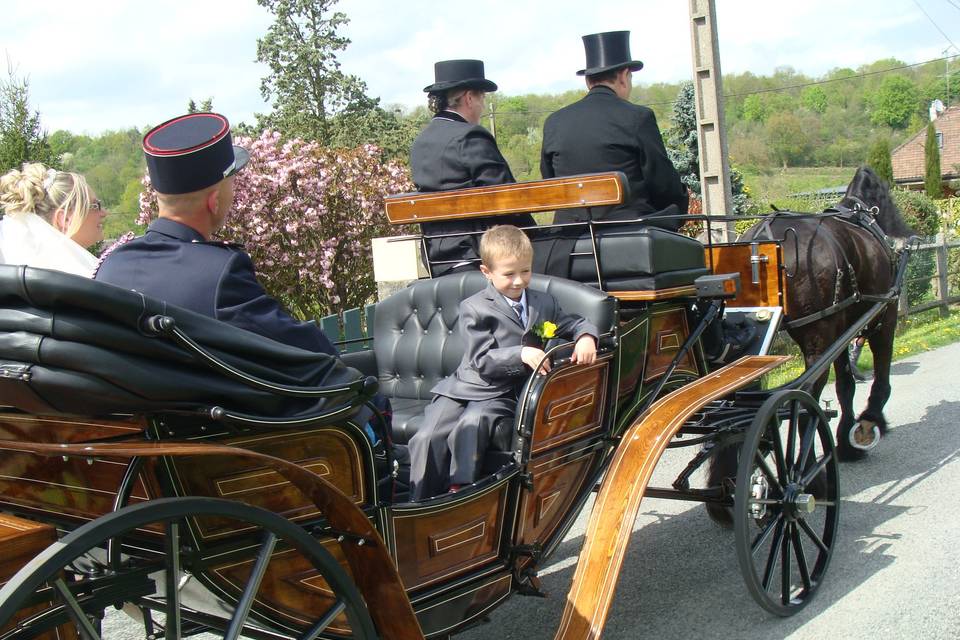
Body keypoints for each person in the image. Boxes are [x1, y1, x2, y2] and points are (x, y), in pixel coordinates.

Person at [95, 112, 337, 355]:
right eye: (231, 184)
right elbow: (310, 354)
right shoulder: (219, 274)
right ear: (214, 202)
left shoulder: (111, 269)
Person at [408, 225, 598, 500]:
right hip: (464, 386)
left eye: (526, 271)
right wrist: (519, 354)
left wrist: (585, 337)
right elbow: (480, 359)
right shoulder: (474, 307)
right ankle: (419, 500)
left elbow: (576, 323)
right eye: (509, 274)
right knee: (427, 436)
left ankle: (462, 491)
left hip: (500, 392)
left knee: (473, 423)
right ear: (487, 272)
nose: (519, 281)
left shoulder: (543, 303)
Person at [540, 31, 688, 232]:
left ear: (588, 81)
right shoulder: (638, 118)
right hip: (628, 235)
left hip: (567, 241)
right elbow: (663, 185)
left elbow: (550, 182)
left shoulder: (554, 122)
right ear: (623, 76)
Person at [410, 59, 535, 276]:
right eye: (482, 98)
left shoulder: (420, 142)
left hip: (435, 256)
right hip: (476, 253)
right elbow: (507, 198)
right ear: (469, 98)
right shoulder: (470, 136)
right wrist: (536, 236)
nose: (483, 106)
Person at [0, 162, 107, 276]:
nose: (104, 213)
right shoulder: (78, 278)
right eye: (95, 206)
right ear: (65, 219)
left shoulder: (32, 274)